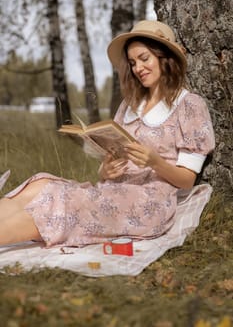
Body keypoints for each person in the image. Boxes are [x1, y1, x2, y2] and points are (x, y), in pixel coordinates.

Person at [0, 20, 215, 247]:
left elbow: (187, 180)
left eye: (144, 58)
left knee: (60, 201)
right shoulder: (130, 104)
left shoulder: (189, 105)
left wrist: (155, 161)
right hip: (113, 190)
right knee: (42, 184)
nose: (138, 68)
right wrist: (106, 170)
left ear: (164, 58)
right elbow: (108, 165)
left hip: (147, 202)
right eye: (132, 62)